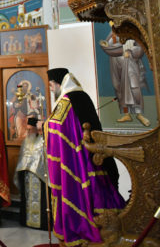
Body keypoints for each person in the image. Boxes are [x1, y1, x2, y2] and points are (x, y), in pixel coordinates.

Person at [45, 68, 124, 245]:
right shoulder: (80, 97)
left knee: (85, 194)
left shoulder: (67, 100)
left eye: (51, 85)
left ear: (58, 83)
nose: (51, 89)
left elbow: (56, 127)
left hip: (78, 160)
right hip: (90, 156)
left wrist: (44, 125)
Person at [99, 32, 150, 126]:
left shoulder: (129, 30)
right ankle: (126, 114)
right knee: (119, 88)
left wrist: (130, 52)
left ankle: (139, 114)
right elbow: (107, 45)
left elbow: (140, 47)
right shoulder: (111, 33)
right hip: (115, 63)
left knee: (134, 87)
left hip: (129, 62)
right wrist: (106, 46)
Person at [14, 116, 49, 230]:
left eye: (30, 129)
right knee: (27, 199)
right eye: (27, 129)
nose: (28, 132)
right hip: (27, 176)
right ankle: (27, 221)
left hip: (39, 177)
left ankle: (41, 223)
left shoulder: (43, 141)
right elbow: (22, 157)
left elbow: (44, 160)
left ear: (36, 129)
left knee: (41, 200)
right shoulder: (26, 141)